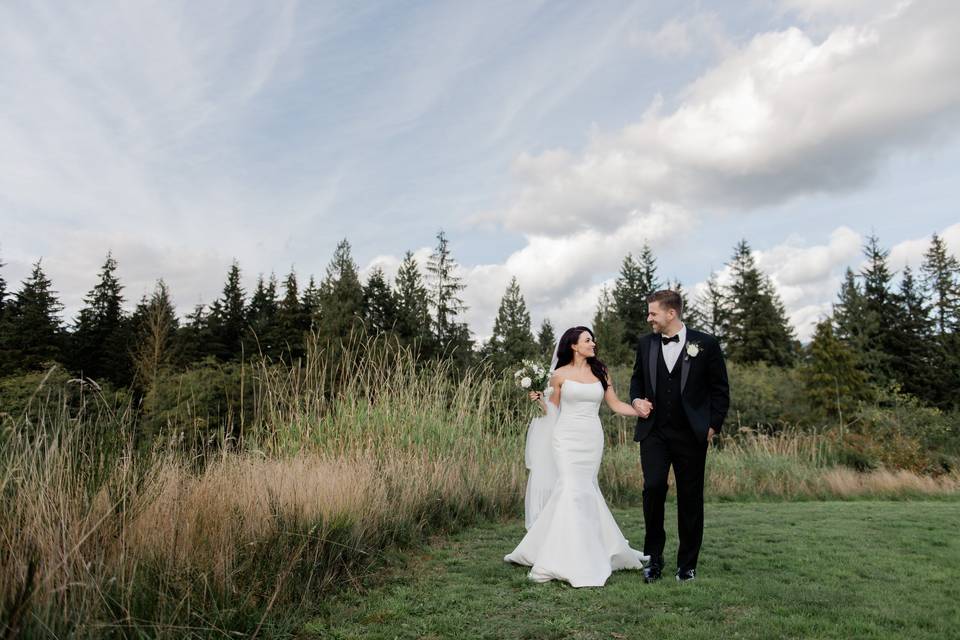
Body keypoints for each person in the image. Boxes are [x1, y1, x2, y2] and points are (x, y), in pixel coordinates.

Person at [505, 326, 648, 587]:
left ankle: (588, 546)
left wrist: (639, 411)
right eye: (587, 340)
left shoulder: (600, 372)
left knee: (585, 490)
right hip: (566, 438)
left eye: (593, 339)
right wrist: (538, 399)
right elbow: (551, 411)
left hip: (592, 438)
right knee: (571, 488)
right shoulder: (558, 375)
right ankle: (565, 555)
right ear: (573, 345)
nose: (593, 343)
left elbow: (614, 404)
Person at [629, 290, 729, 583]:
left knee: (690, 498)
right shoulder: (645, 344)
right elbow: (637, 380)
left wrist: (712, 426)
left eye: (653, 313)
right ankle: (653, 559)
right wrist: (636, 401)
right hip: (654, 433)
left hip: (691, 435)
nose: (649, 318)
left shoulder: (706, 343)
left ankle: (687, 564)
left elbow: (720, 389)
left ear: (671, 313)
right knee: (654, 488)